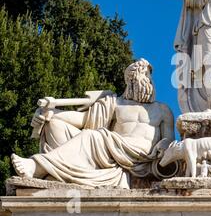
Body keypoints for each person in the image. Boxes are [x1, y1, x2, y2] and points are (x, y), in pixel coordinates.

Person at [11, 59, 175, 188]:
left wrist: (164, 144)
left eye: (147, 76)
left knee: (94, 135)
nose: (145, 80)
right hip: (110, 152)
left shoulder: (162, 109)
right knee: (55, 125)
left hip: (143, 156)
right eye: (139, 76)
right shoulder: (114, 103)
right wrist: (52, 114)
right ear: (129, 81)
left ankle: (36, 166)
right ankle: (59, 170)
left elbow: (169, 139)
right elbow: (83, 120)